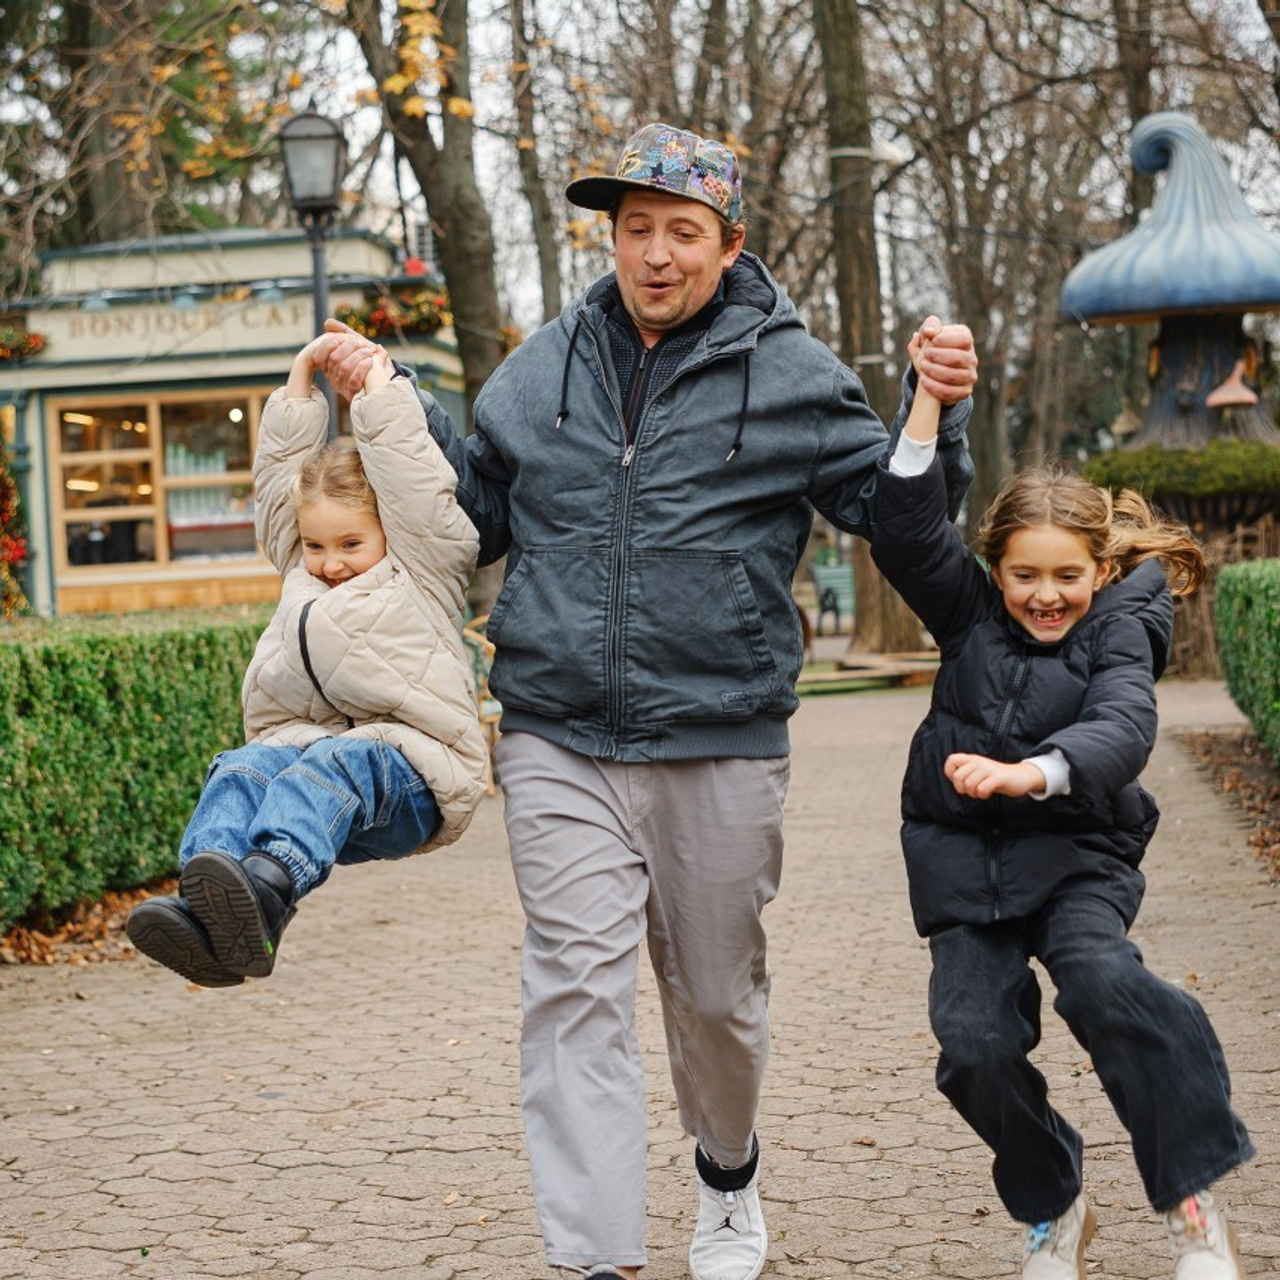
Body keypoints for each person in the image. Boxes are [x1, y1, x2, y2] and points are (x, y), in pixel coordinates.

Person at [323, 120, 979, 1280]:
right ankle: (595, 1255)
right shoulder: (541, 367)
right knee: (572, 983)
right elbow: (471, 512)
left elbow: (895, 518)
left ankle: (725, 1173)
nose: (656, 254)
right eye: (636, 230)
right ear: (611, 237)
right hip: (556, 729)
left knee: (715, 992)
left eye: (682, 232)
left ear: (728, 244)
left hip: (717, 734)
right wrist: (396, 402)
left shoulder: (793, 375)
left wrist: (938, 413)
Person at [869, 341, 1255, 1279]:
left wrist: (1034, 772)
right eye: (1025, 576)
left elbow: (1124, 729)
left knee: (1103, 984)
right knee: (974, 1048)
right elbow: (905, 531)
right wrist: (925, 401)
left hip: (1078, 852)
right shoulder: (966, 615)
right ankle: (1056, 1202)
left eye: (1067, 577)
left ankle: (1192, 1198)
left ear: (1100, 566)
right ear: (995, 569)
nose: (1047, 596)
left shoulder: (1122, 630)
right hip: (963, 864)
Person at [127, 335, 489, 988]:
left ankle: (269, 889)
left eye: (351, 542)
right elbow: (275, 485)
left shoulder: (422, 564)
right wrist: (300, 382)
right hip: (313, 761)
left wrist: (379, 389)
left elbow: (413, 482)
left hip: (412, 773)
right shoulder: (301, 569)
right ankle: (212, 909)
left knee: (333, 762)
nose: (331, 562)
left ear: (388, 532)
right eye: (317, 544)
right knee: (240, 767)